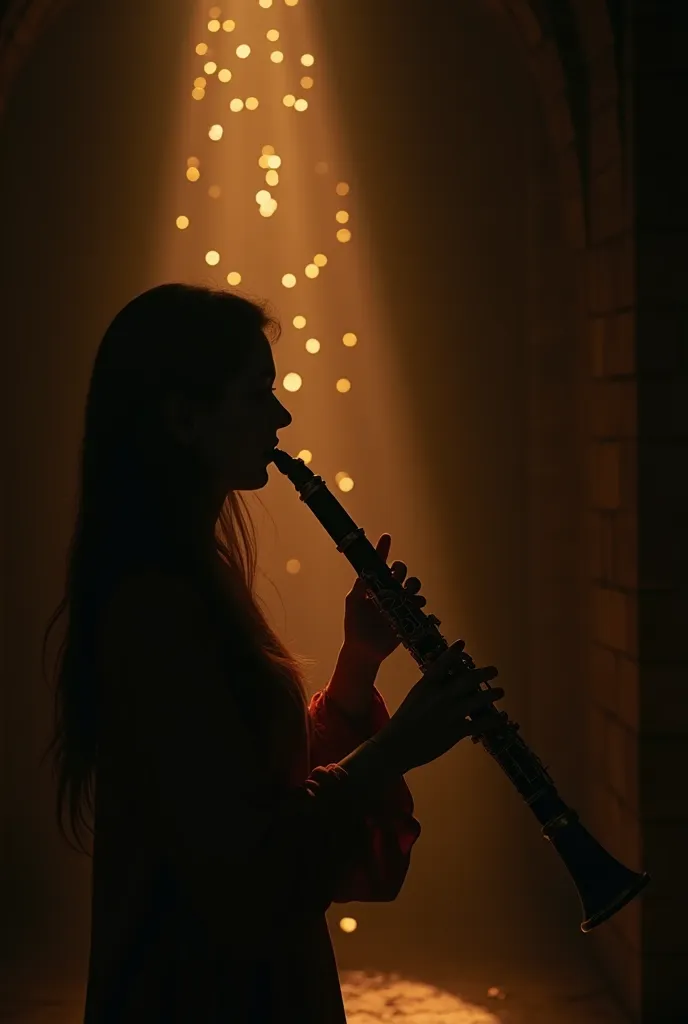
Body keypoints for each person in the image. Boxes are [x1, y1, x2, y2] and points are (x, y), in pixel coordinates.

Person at [41, 283, 505, 1023]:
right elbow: (246, 870)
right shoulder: (156, 605)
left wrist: (357, 667)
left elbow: (250, 778)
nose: (282, 418)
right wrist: (397, 750)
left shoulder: (192, 572)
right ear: (183, 417)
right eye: (258, 395)